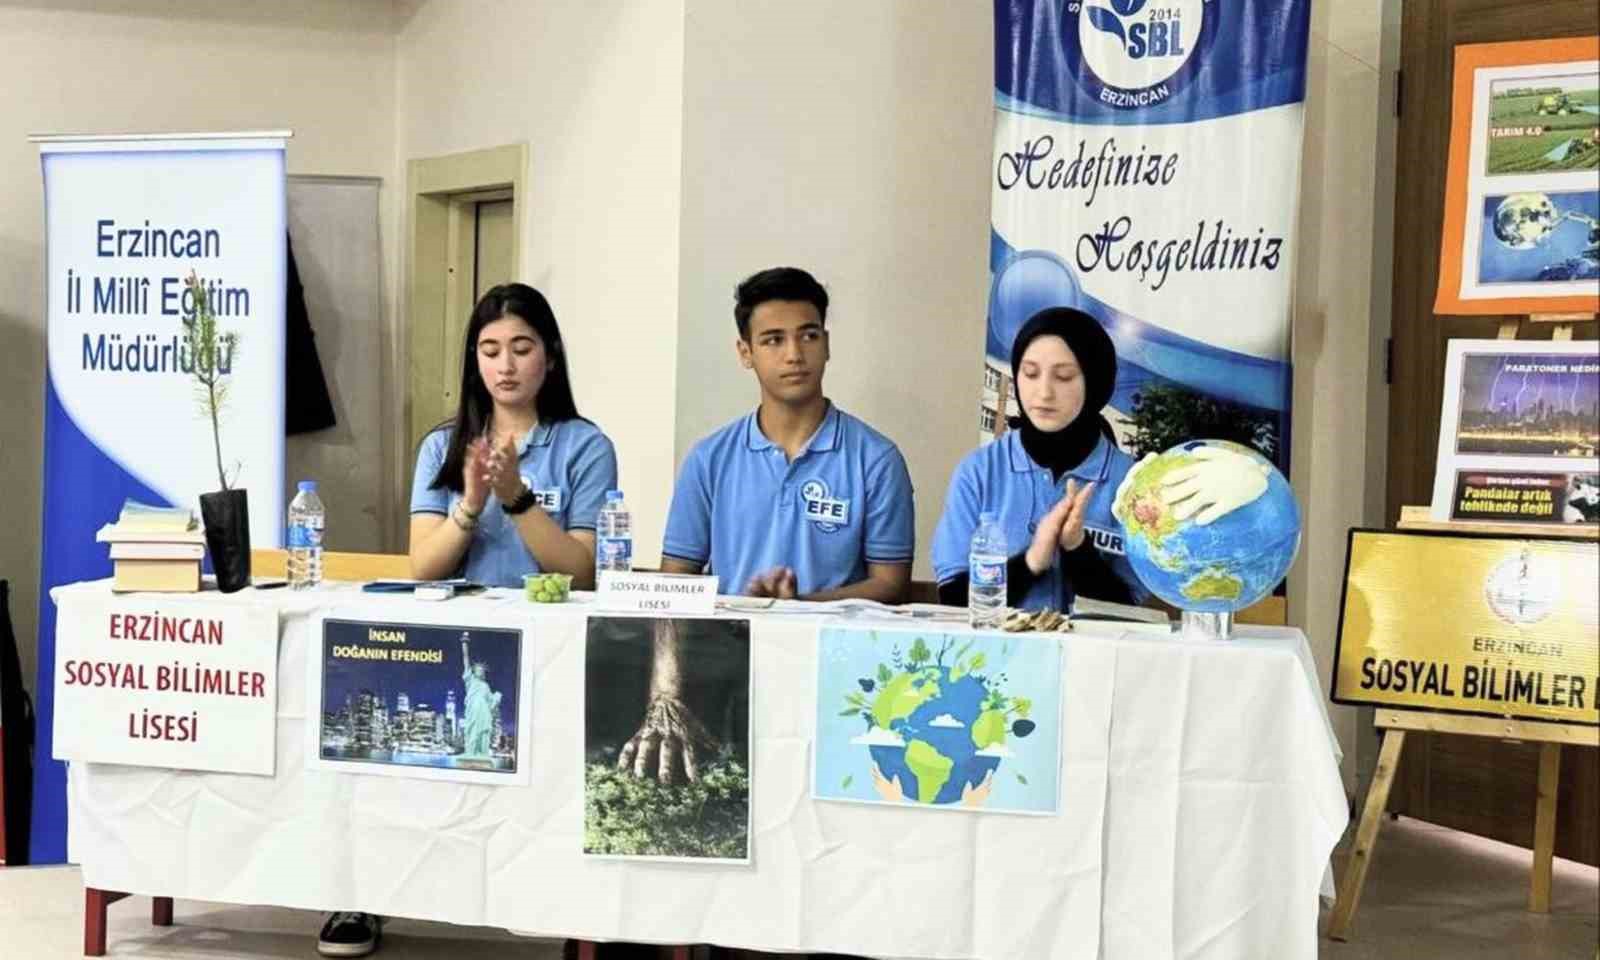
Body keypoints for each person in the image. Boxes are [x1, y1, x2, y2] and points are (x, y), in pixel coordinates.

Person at [661, 267, 915, 602]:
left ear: (826, 345)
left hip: (833, 649)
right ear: (745, 353)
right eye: (773, 340)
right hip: (731, 646)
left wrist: (797, 608)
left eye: (808, 336)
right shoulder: (709, 458)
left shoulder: (876, 459)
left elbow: (891, 585)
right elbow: (676, 576)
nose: (794, 354)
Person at [932, 307, 1146, 612]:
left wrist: (1077, 550)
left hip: (1096, 659)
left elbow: (1133, 612)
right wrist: (1031, 562)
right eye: (1030, 373)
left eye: (1063, 376)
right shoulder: (978, 472)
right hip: (994, 658)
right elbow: (953, 600)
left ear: (1095, 381)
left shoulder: (1131, 483)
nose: (1043, 392)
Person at [408, 282, 618, 590]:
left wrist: (517, 499)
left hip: (552, 626)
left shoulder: (587, 447)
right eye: (490, 352)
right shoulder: (441, 446)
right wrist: (470, 505)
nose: (506, 366)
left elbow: (584, 575)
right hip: (461, 624)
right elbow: (423, 569)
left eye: (521, 350)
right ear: (475, 361)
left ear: (550, 357)